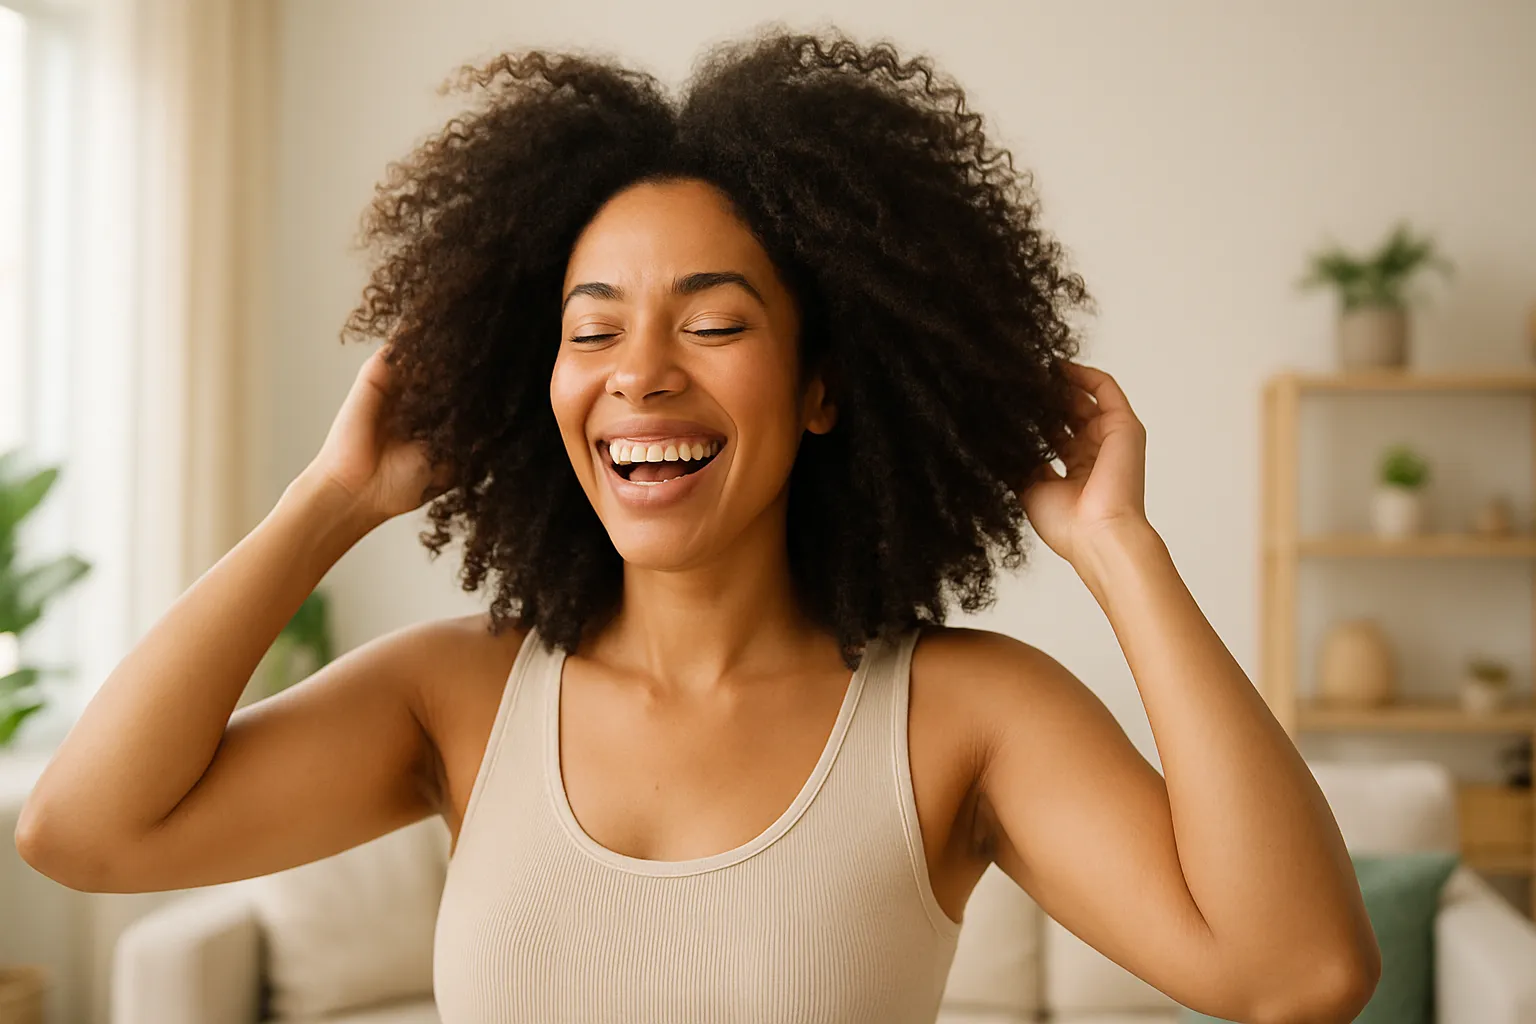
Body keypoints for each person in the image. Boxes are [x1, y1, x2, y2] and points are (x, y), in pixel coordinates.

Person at [17, 27, 1378, 1024]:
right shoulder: (460, 696)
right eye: (591, 329)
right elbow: (83, 835)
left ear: (826, 385)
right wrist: (332, 503)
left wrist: (1119, 552)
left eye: (715, 324)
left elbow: (1301, 972)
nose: (641, 374)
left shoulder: (960, 713)